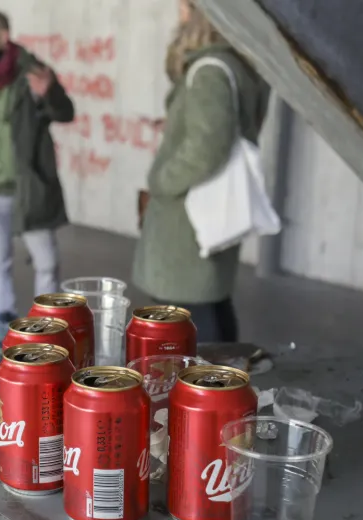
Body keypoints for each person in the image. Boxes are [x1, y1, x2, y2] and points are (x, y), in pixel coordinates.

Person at [132, 0, 270, 342]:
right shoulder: (237, 65)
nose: (178, 14)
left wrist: (161, 179)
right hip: (206, 212)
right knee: (210, 305)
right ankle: (225, 371)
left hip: (187, 219)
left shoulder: (209, 70)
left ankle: (211, 375)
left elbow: (208, 147)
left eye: (185, 7)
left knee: (187, 315)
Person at [0, 11, 75, 356]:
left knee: (46, 262)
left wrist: (49, 93)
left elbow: (66, 112)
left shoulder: (33, 73)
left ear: (4, 36)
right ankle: (3, 324)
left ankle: (46, 330)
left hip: (28, 189)